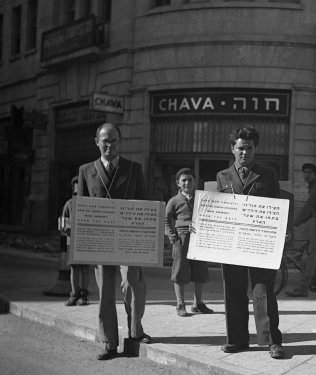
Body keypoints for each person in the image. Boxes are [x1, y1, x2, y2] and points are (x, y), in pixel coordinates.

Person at [78, 122, 152, 360]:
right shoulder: (86, 170)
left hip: (128, 241)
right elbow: (83, 208)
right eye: (105, 140)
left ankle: (135, 333)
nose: (109, 145)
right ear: (97, 142)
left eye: (114, 141)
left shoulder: (133, 169)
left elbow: (143, 203)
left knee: (132, 286)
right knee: (106, 293)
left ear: (120, 142)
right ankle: (109, 342)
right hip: (101, 242)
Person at [216, 126, 284, 359]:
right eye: (240, 148)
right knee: (233, 291)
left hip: (260, 243)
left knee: (262, 291)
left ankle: (271, 341)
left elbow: (277, 207)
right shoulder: (222, 176)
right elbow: (217, 211)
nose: (245, 152)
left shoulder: (268, 174)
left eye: (249, 148)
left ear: (256, 149)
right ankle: (236, 340)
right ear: (232, 149)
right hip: (232, 245)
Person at [165, 168, 213, 317]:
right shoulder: (174, 201)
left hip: (199, 239)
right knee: (180, 271)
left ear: (195, 181)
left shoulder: (202, 199)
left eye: (190, 180)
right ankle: (180, 304)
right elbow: (166, 219)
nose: (187, 183)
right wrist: (172, 236)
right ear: (178, 183)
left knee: (200, 271)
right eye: (183, 180)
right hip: (182, 239)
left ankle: (198, 303)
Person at [286, 163, 316, 297]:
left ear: (315, 174)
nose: (306, 175)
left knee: (311, 256)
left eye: (309, 172)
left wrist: (294, 223)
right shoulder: (313, 187)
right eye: (304, 172)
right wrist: (298, 222)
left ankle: (303, 288)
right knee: (312, 253)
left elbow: (308, 208)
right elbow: (310, 211)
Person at [60, 176, 90, 306]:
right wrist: (66, 230)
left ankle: (83, 295)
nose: (78, 188)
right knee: (74, 269)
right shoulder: (69, 204)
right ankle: (74, 294)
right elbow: (63, 222)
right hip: (72, 241)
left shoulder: (90, 203)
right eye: (76, 186)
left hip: (86, 241)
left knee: (84, 269)